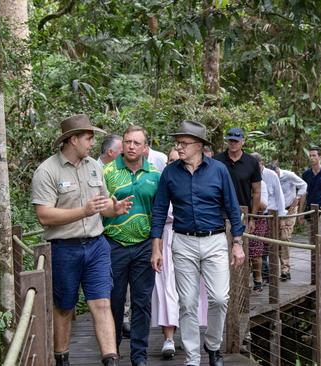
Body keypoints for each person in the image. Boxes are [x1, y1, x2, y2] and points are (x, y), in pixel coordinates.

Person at [31, 114, 133, 366]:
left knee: (101, 302)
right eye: (88, 138)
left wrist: (114, 208)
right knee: (65, 307)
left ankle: (110, 360)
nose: (92, 143)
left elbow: (101, 205)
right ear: (73, 140)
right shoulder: (47, 171)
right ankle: (62, 359)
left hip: (97, 245)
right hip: (64, 248)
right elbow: (44, 215)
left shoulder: (94, 166)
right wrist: (82, 212)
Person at [151, 120, 246, 366]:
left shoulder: (218, 170)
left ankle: (213, 344)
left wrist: (237, 242)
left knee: (219, 298)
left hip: (215, 241)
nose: (179, 147)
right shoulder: (170, 173)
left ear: (199, 146)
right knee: (188, 303)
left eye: (184, 143)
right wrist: (157, 247)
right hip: (183, 243)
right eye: (178, 143)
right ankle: (193, 358)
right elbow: (160, 211)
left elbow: (232, 208)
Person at [102, 125, 161, 366]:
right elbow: (97, 207)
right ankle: (112, 351)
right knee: (113, 301)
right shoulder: (107, 172)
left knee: (142, 302)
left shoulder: (156, 175)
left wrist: (157, 247)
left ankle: (139, 355)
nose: (132, 146)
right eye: (128, 142)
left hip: (144, 245)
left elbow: (158, 213)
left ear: (145, 148)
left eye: (137, 143)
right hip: (113, 244)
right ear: (122, 145)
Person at [150, 148, 209, 359]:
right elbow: (156, 214)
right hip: (167, 238)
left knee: (191, 288)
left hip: (190, 238)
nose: (174, 164)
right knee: (166, 287)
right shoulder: (163, 182)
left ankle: (189, 335)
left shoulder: (198, 182)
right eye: (170, 161)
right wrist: (155, 247)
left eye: (177, 160)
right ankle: (168, 339)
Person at [214, 127, 262, 231]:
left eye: (236, 141)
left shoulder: (252, 162)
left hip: (242, 212)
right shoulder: (216, 160)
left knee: (240, 245)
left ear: (242, 142)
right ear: (227, 141)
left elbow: (257, 192)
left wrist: (252, 218)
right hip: (219, 213)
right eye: (231, 140)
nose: (233, 143)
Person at [251, 153, 286, 284]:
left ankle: (271, 276)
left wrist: (282, 217)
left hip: (271, 215)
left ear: (262, 163)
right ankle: (265, 276)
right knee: (260, 248)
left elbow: (279, 196)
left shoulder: (271, 175)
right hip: (257, 215)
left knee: (269, 246)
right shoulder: (249, 175)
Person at [271, 164, 306, 280]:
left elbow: (303, 185)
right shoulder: (268, 177)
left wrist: (297, 198)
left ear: (277, 172)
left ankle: (285, 269)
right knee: (274, 238)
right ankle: (272, 269)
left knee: (284, 237)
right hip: (275, 211)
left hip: (290, 209)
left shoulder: (288, 175)